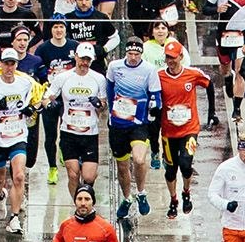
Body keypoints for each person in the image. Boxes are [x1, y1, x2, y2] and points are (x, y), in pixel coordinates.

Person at [0, 45, 41, 234]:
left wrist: (32, 108)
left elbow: (38, 100)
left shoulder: (25, 83)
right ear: (0, 64)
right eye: (6, 63)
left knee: (19, 175)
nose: (9, 67)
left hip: (17, 135)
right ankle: (0, 196)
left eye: (12, 64)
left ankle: (14, 219)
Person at [106, 35, 160, 221]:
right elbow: (109, 88)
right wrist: (111, 108)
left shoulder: (149, 69)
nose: (133, 57)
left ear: (141, 54)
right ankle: (127, 198)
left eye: (136, 54)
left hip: (138, 123)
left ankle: (141, 192)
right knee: (122, 166)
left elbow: (155, 95)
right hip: (118, 123)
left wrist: (153, 108)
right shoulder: (115, 67)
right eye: (130, 53)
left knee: (138, 159)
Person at [156, 39, 211, 218]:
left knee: (186, 163)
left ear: (181, 56)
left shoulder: (192, 74)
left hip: (189, 129)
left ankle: (186, 192)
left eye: (173, 57)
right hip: (168, 132)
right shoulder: (159, 76)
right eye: (167, 58)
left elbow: (209, 85)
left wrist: (212, 113)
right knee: (171, 169)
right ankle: (173, 200)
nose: (171, 61)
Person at [49, 42, 109, 194]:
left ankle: (85, 199)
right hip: (69, 132)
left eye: (88, 60)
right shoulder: (63, 77)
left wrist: (99, 104)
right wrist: (52, 103)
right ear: (75, 57)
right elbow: (48, 97)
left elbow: (103, 104)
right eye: (82, 59)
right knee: (73, 174)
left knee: (89, 177)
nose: (84, 63)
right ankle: (78, 207)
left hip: (90, 133)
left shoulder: (99, 78)